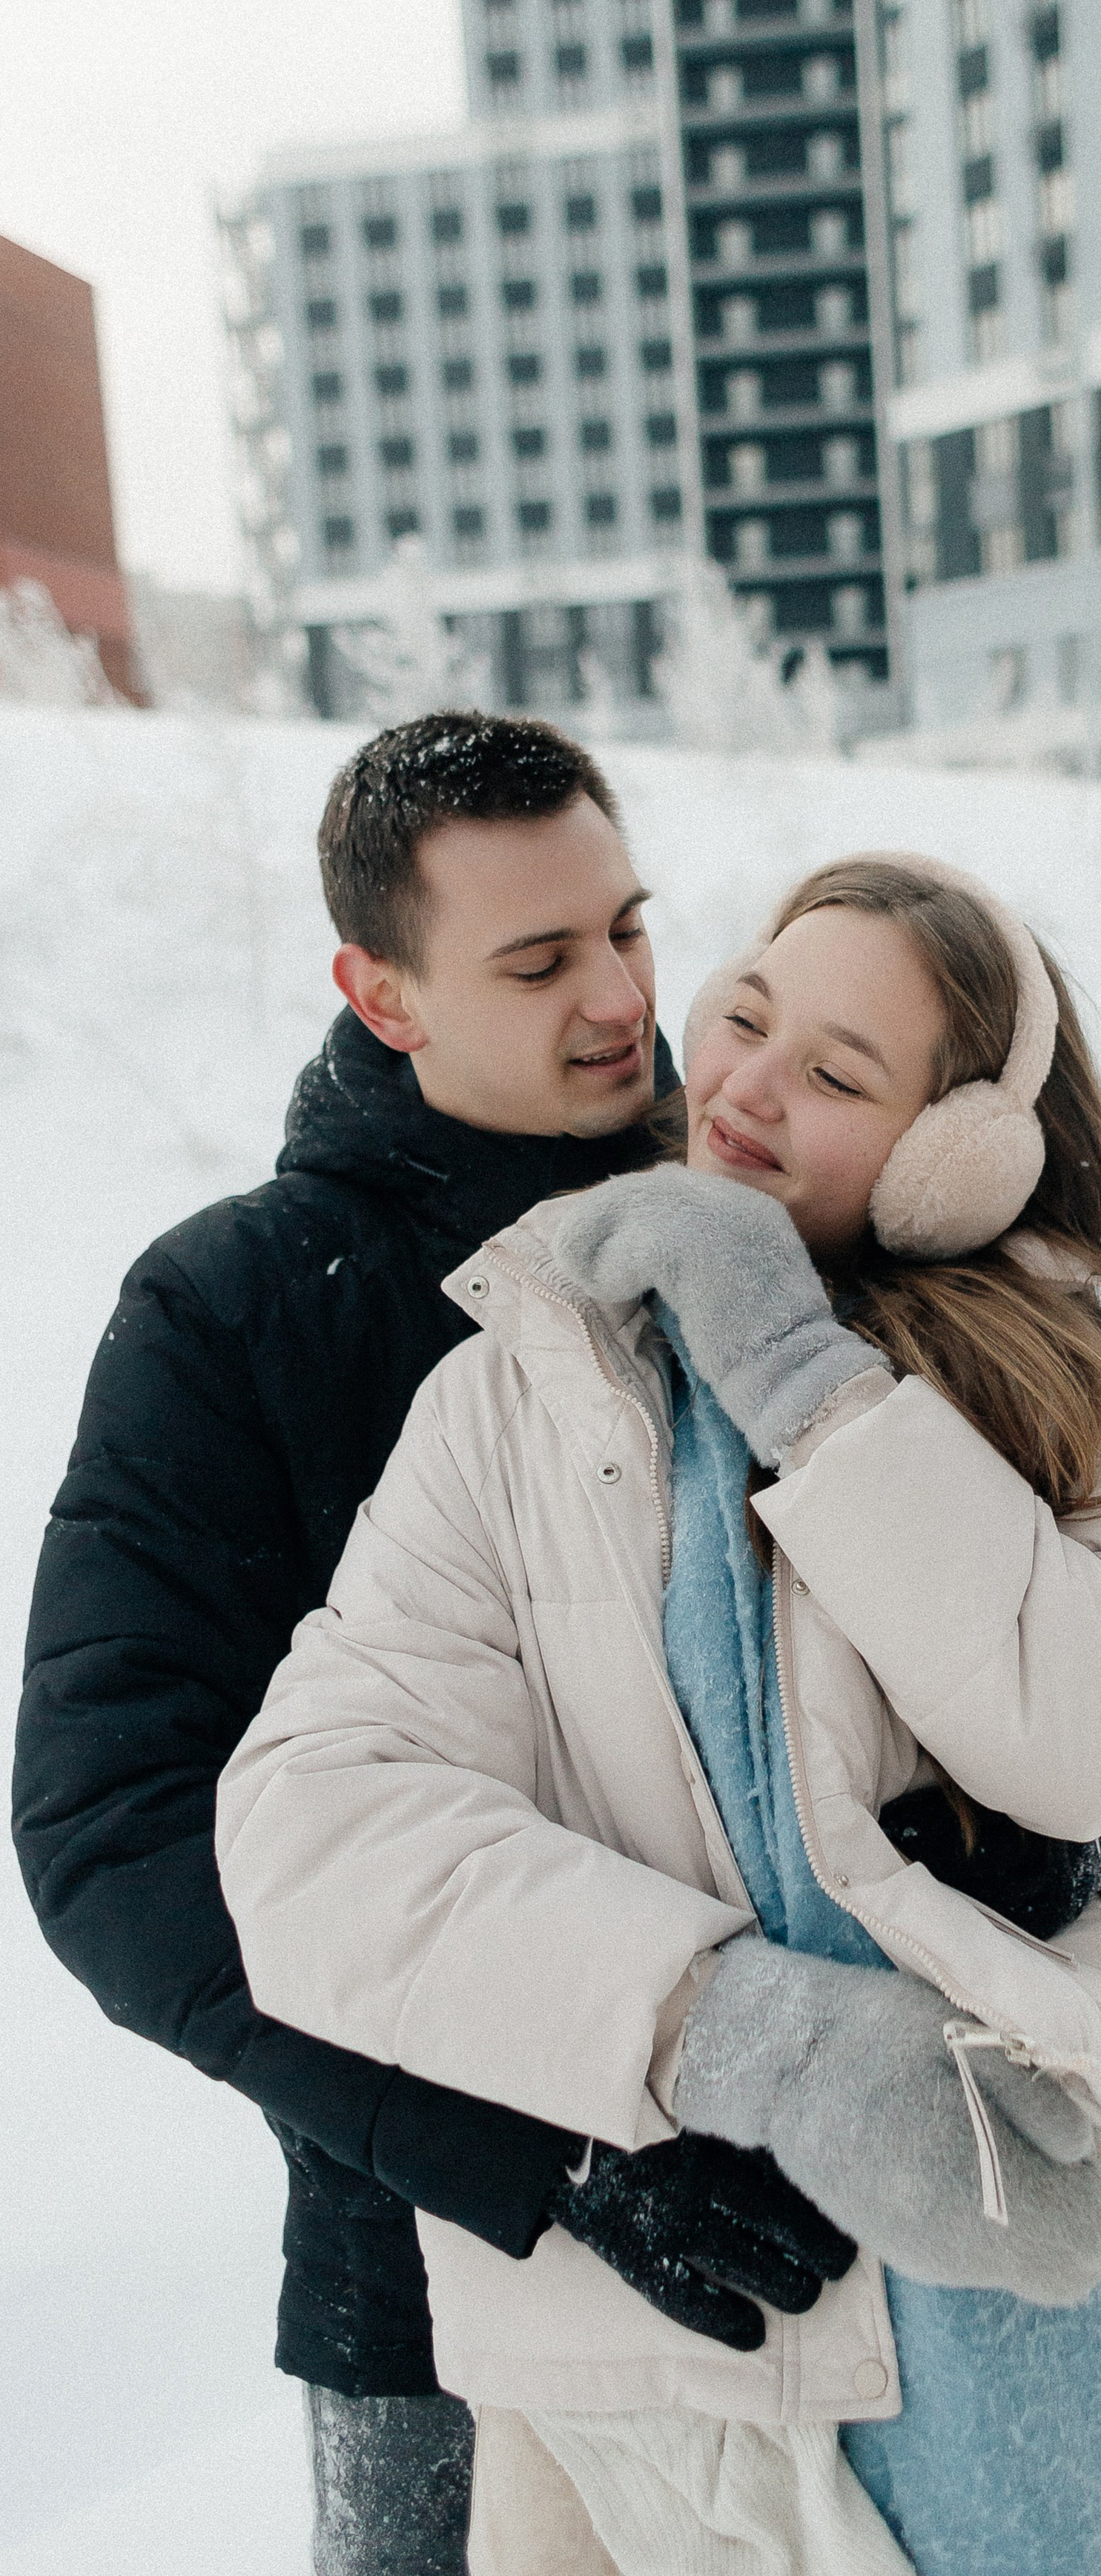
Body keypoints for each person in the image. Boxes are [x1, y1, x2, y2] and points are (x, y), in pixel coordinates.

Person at [215, 852, 1101, 2576]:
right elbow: (314, 1832)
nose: (749, 1087)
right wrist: (748, 2036)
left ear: (951, 1157)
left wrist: (797, 1373)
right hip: (646, 2387)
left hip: (1007, 2290)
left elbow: (1081, 1735)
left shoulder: (1070, 1380)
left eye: (837, 1075)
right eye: (745, 1017)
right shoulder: (513, 1390)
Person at [12, 712, 791, 2575]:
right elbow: (119, 1836)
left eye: (629, 927)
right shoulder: (234, 1311)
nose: (620, 998)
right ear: (383, 993)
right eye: (537, 961)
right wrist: (532, 2153)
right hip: (429, 2273)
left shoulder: (766, 1222)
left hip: (822, 2202)